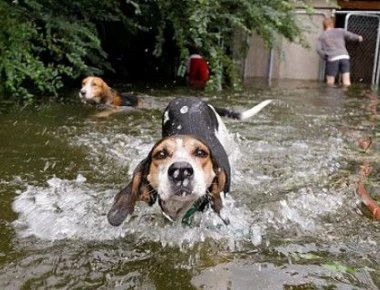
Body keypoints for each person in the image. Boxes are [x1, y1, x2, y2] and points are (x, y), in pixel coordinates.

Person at [316, 17, 363, 87]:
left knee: (330, 82)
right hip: (344, 56)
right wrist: (359, 38)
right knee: (346, 81)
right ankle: (345, 95)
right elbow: (351, 36)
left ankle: (330, 96)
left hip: (332, 58)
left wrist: (326, 57)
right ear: (332, 24)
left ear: (323, 26)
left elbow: (319, 50)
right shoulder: (340, 31)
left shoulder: (322, 36)